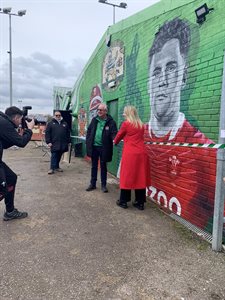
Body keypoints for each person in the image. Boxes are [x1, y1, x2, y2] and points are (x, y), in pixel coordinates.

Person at [145, 18, 216, 228]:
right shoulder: (137, 138)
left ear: (184, 77)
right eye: (156, 72)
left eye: (171, 68)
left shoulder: (205, 152)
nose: (163, 80)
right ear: (149, 82)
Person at [0, 106, 34, 221]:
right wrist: (29, 129)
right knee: (1, 189)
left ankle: (10, 211)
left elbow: (5, 143)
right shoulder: (4, 123)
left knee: (11, 178)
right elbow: (21, 142)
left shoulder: (3, 122)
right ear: (15, 117)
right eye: (20, 119)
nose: (20, 122)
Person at [114, 106, 151, 210]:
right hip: (142, 153)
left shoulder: (126, 124)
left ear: (129, 113)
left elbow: (119, 136)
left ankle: (123, 201)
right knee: (140, 176)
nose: (123, 114)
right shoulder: (141, 125)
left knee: (126, 176)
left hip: (130, 154)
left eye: (125, 113)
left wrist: (115, 142)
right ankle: (140, 203)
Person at [86, 103, 117, 193]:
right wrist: (88, 141)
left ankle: (103, 185)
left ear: (105, 111)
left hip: (104, 148)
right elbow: (89, 131)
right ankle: (93, 184)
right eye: (98, 110)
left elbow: (114, 132)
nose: (98, 111)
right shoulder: (94, 120)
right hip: (94, 147)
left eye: (100, 110)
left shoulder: (111, 122)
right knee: (94, 166)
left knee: (103, 167)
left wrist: (114, 139)